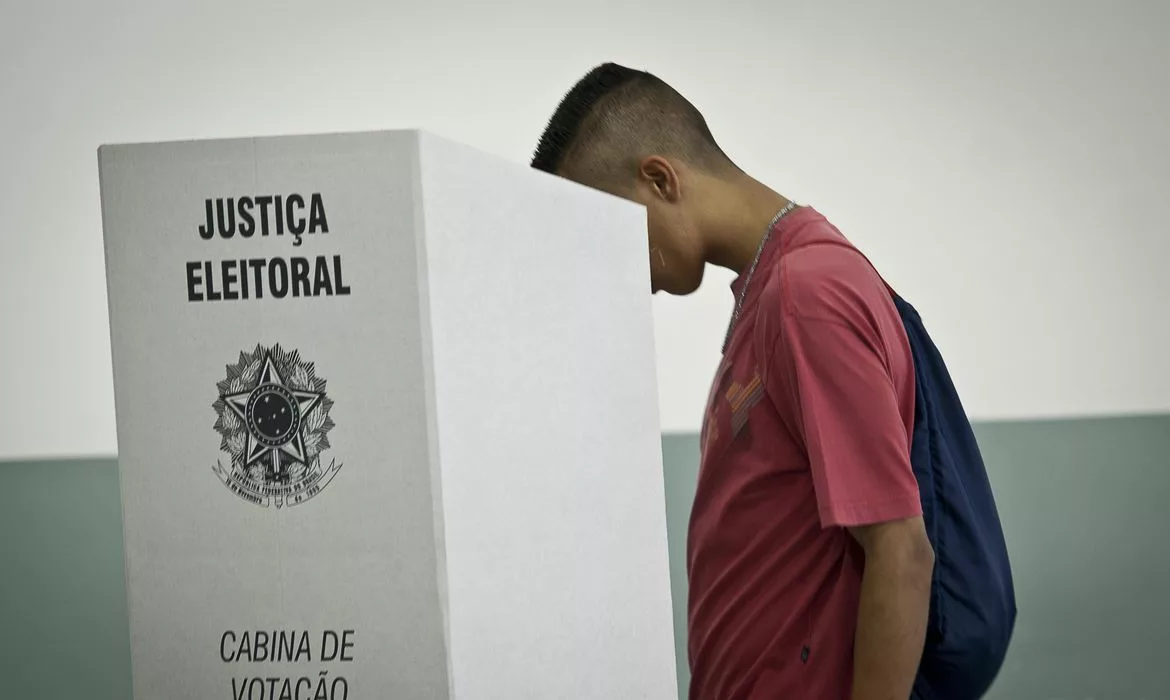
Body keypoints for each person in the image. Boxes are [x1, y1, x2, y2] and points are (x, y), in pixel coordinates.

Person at [530, 63, 944, 700]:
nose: (605, 266)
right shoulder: (771, 292)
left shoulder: (807, 294)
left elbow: (902, 552)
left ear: (661, 179)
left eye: (604, 231)